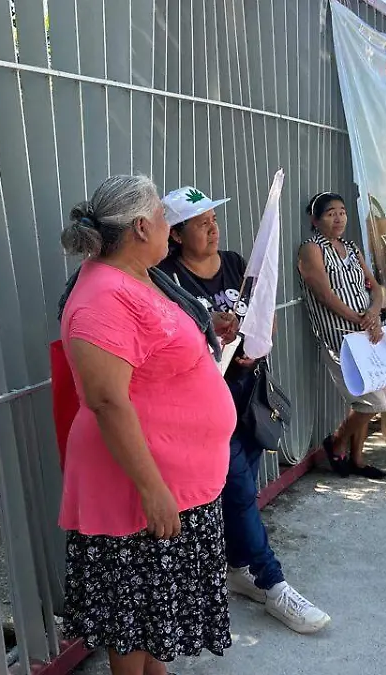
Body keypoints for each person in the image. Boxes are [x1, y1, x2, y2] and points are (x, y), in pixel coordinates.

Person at [57, 175, 233, 674]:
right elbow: (107, 401)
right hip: (139, 488)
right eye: (162, 216)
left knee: (156, 617)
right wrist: (153, 490)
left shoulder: (141, 274)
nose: (168, 224)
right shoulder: (102, 296)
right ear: (139, 227)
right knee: (131, 621)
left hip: (176, 480)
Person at [156, 186, 331, 635]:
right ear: (175, 235)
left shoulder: (235, 262)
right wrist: (214, 336)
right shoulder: (166, 279)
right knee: (236, 492)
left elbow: (262, 312)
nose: (212, 228)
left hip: (250, 392)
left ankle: (236, 567)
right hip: (206, 401)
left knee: (242, 487)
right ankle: (273, 583)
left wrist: (254, 339)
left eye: (213, 218)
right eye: (201, 223)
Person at [297, 192, 386, 479]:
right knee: (374, 402)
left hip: (368, 334)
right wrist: (359, 320)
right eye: (330, 213)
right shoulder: (311, 249)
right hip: (340, 336)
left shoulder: (351, 247)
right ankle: (336, 442)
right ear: (315, 220)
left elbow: (375, 287)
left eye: (342, 211)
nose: (338, 218)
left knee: (369, 394)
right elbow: (324, 294)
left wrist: (373, 313)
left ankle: (357, 459)